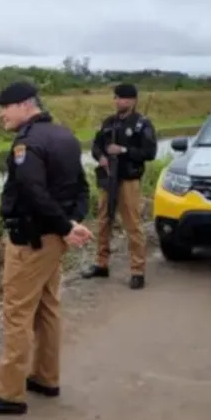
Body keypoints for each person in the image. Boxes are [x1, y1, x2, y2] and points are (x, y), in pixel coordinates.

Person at [0, 81, 93, 416]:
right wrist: (70, 223)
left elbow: (33, 192)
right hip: (53, 240)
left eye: (6, 107)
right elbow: (81, 188)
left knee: (17, 313)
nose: (1, 115)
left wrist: (65, 226)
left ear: (26, 105)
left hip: (31, 241)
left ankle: (9, 395)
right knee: (47, 308)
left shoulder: (28, 144)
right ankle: (45, 377)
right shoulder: (64, 136)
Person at [82, 83, 158, 290]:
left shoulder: (142, 124)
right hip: (108, 178)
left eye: (122, 98)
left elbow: (150, 153)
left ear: (132, 100)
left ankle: (137, 271)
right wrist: (102, 157)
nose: (117, 101)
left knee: (132, 225)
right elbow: (96, 146)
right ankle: (101, 264)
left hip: (129, 180)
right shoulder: (108, 123)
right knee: (103, 220)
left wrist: (123, 150)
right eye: (115, 98)